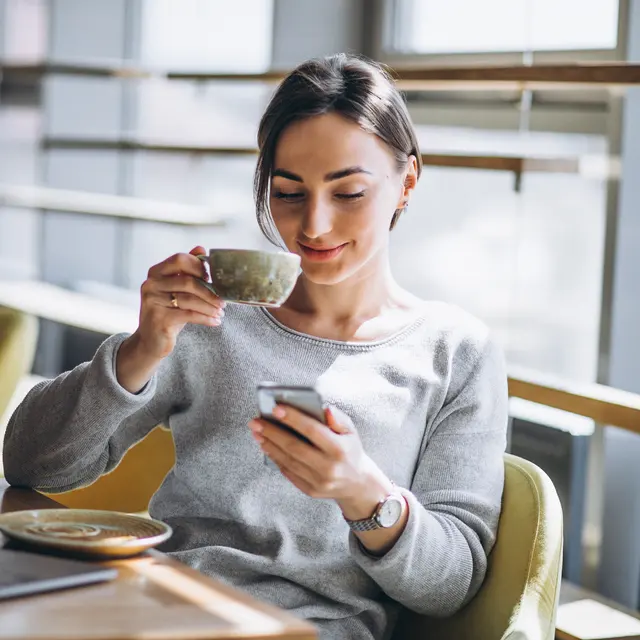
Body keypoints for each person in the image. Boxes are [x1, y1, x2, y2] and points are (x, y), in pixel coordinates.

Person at [3, 54, 508, 640]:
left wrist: (363, 495)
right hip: (153, 608)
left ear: (407, 183)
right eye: (289, 193)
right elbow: (29, 463)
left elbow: (452, 585)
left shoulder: (456, 352)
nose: (314, 225)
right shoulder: (213, 320)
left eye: (348, 192)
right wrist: (142, 349)